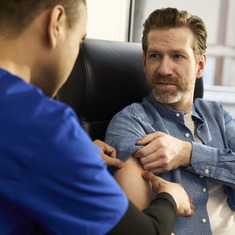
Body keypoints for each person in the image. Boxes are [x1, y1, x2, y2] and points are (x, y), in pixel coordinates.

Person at [0, 1, 195, 235]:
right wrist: (169, 198)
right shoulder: (42, 125)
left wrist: (69, 158)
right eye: (79, 41)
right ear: (56, 23)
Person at [105, 7, 235, 235]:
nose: (164, 69)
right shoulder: (130, 124)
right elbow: (141, 227)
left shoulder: (217, 114)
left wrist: (189, 154)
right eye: (155, 56)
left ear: (200, 65)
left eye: (177, 56)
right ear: (144, 62)